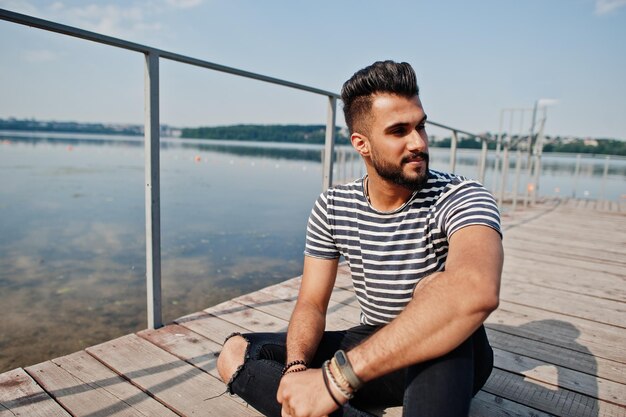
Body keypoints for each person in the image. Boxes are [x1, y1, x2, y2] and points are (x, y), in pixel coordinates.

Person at [216, 60, 503, 417]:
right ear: (361, 144)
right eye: (399, 131)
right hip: (370, 343)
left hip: (450, 351)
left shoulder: (462, 196)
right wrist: (297, 369)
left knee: (436, 292)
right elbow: (312, 304)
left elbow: (475, 290)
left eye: (421, 126)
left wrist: (336, 379)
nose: (419, 142)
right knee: (235, 353)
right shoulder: (333, 206)